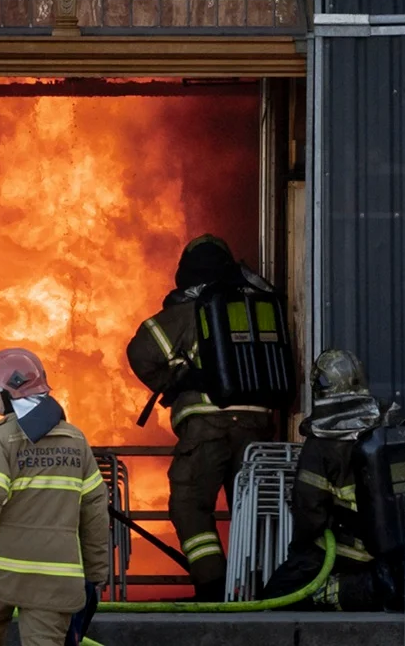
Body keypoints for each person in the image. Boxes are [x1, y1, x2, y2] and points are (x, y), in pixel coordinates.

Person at [126, 234, 277, 601]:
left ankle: (212, 586)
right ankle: (258, 588)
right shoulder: (259, 307)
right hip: (257, 429)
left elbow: (141, 351)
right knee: (254, 509)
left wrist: (174, 380)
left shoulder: (187, 312)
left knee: (190, 505)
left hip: (207, 426)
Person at [0, 348, 109, 646]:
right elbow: (94, 513)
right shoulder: (76, 441)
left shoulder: (1, 439)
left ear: (11, 392)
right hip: (55, 578)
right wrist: (94, 572)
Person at [261, 349, 403, 611]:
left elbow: (309, 509)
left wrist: (300, 551)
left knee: (277, 597)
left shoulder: (322, 444)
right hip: (396, 545)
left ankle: (354, 590)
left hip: (346, 549)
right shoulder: (391, 427)